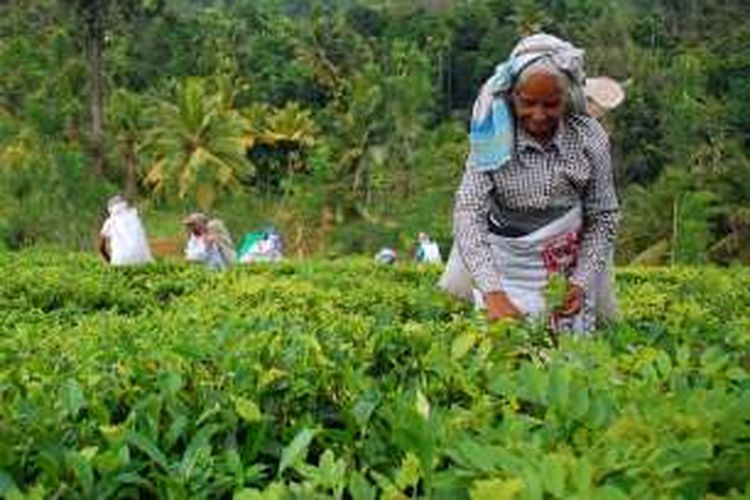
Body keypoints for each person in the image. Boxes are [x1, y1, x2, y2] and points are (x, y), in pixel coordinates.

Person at [441, 33, 619, 333]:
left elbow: (603, 216)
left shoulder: (589, 138)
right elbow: (469, 212)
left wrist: (580, 282)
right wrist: (493, 293)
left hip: (566, 269)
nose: (538, 115)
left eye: (550, 104)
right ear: (512, 96)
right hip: (503, 268)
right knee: (502, 354)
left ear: (567, 98)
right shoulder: (492, 136)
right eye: (528, 103)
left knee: (568, 364)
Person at [98, 195, 153, 266]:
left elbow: (101, 247)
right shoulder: (135, 218)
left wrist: (110, 262)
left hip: (120, 262)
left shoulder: (110, 222)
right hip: (143, 260)